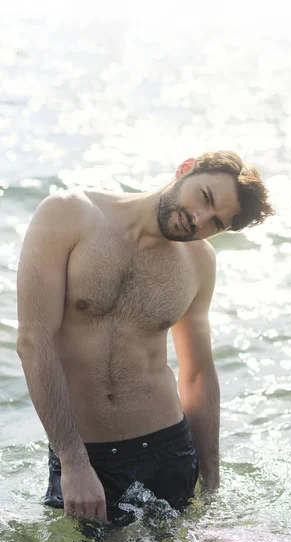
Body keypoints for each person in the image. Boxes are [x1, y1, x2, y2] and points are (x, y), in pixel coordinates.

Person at [16, 150, 275, 523]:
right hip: (87, 453)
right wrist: (72, 461)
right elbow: (33, 341)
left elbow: (198, 372)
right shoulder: (70, 214)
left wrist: (211, 479)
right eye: (204, 198)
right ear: (185, 169)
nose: (199, 219)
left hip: (170, 449)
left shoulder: (199, 262)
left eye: (215, 223)